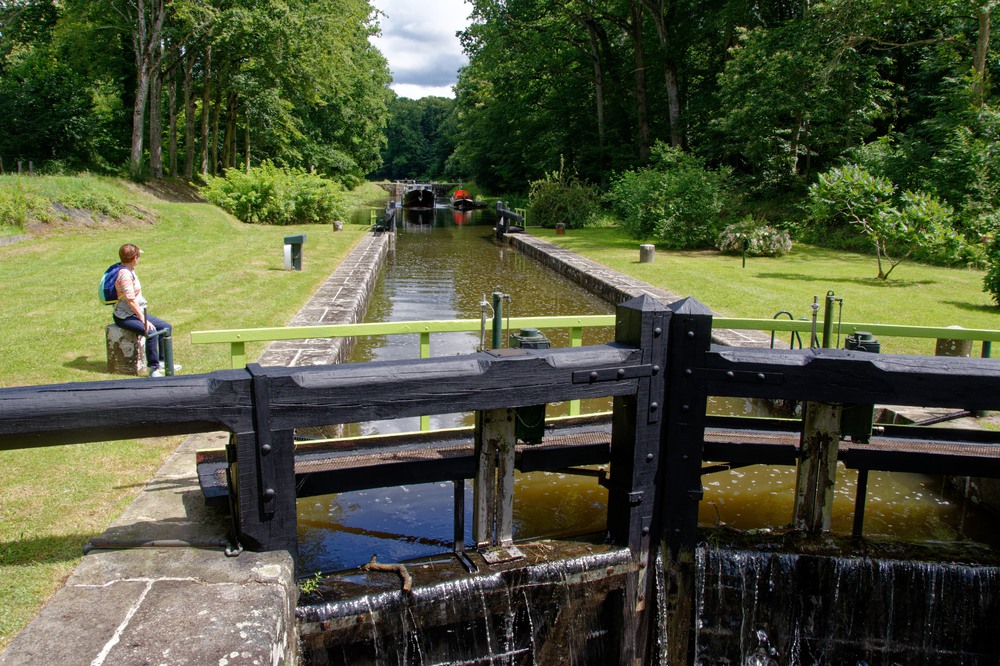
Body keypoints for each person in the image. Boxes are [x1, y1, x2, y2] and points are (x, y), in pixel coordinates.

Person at [111, 243, 181, 377]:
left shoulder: (129, 270)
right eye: (138, 256)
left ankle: (163, 362)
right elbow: (130, 300)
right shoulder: (124, 275)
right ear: (134, 258)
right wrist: (144, 320)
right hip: (125, 316)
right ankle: (153, 369)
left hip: (135, 313)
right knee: (151, 330)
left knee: (166, 327)